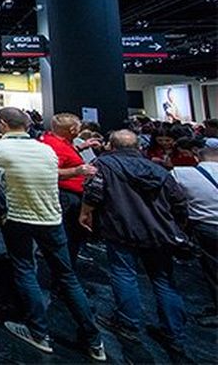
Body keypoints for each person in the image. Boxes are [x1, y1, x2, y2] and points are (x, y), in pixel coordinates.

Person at [0, 107, 104, 361]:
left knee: (25, 269)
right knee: (67, 276)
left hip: (17, 217)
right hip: (51, 217)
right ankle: (95, 340)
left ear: (2, 124)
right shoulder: (46, 150)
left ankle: (39, 332)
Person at [80, 130, 189, 358]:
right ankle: (175, 332)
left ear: (111, 145)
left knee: (123, 274)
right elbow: (178, 200)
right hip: (159, 232)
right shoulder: (157, 169)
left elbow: (94, 192)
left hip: (121, 228)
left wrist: (86, 213)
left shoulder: (104, 165)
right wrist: (176, 225)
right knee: (164, 280)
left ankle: (128, 323)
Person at [39, 113, 97, 270]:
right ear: (72, 129)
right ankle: (63, 279)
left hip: (71, 195)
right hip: (66, 196)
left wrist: (80, 147)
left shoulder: (56, 142)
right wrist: (77, 170)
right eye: (78, 127)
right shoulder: (55, 146)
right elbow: (48, 171)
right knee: (69, 238)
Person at [171, 145, 218, 327]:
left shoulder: (182, 174)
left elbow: (173, 198)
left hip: (207, 227)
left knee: (214, 270)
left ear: (197, 157)